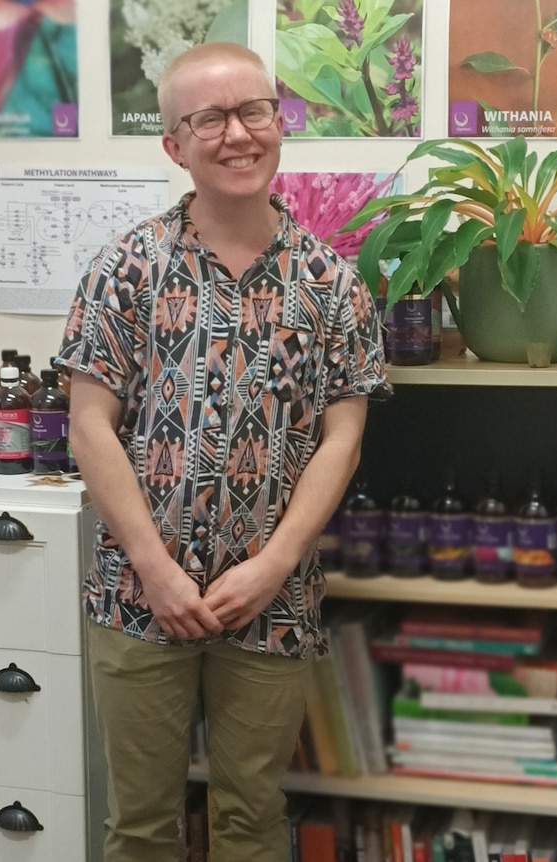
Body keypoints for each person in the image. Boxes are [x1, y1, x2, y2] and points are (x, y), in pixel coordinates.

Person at [55, 41, 388, 862]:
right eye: (209, 118)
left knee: (252, 819)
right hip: (139, 597)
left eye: (255, 111)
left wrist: (273, 565)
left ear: (280, 123)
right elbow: (89, 424)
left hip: (273, 600)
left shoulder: (332, 283)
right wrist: (157, 570)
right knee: (139, 828)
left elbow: (341, 437)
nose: (238, 134)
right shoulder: (125, 268)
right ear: (174, 144)